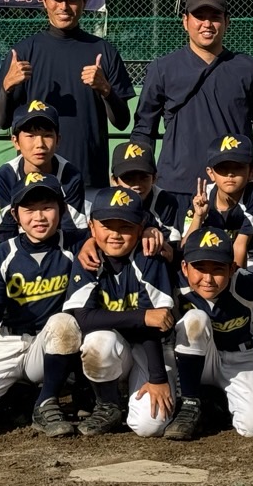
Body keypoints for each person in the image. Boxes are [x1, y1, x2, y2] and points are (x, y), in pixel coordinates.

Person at [0, 177, 89, 439]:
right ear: (15, 214)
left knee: (63, 323)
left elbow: (110, 232)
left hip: (48, 345)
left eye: (47, 207)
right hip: (7, 342)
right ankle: (18, 399)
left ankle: (46, 403)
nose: (39, 217)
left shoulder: (76, 244)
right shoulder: (4, 253)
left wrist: (150, 231)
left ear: (63, 209)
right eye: (29, 209)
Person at [132, 0, 253, 222]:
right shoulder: (163, 68)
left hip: (236, 189)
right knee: (178, 256)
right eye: (200, 17)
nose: (207, 24)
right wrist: (139, 175)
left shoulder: (247, 67)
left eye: (215, 17)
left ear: (227, 22)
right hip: (176, 189)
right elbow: (143, 128)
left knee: (238, 258)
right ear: (185, 21)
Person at [0, 0, 135, 207]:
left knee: (86, 245)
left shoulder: (103, 51)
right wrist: (7, 87)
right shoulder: (24, 52)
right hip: (34, 180)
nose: (63, 6)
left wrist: (105, 89)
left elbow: (122, 121)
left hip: (87, 178)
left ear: (85, 1)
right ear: (43, 0)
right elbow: (2, 121)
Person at [59, 188, 180, 438]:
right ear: (92, 228)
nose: (115, 234)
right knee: (97, 342)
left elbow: (154, 327)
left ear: (140, 227)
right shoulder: (89, 259)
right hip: (115, 347)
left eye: (125, 226)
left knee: (150, 426)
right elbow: (82, 317)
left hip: (150, 348)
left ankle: (137, 388)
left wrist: (158, 378)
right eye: (107, 225)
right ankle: (108, 404)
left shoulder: (149, 258)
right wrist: (142, 316)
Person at [162, 226, 253, 441]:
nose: (208, 278)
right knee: (195, 320)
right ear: (185, 268)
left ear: (232, 268)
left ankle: (213, 401)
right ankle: (189, 403)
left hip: (239, 358)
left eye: (217, 269)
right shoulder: (172, 281)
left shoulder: (247, 283)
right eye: (200, 268)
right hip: (192, 361)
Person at [0, 101, 86, 244]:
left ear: (58, 140)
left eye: (47, 135)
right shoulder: (4, 176)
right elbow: (5, 232)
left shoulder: (71, 175)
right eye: (31, 136)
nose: (40, 144)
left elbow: (72, 230)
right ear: (15, 141)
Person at [185, 133, 253, 269]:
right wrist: (198, 216)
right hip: (214, 259)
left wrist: (233, 285)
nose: (230, 174)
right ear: (211, 173)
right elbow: (186, 247)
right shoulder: (203, 196)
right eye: (222, 168)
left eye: (238, 167)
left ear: (251, 172)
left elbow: (240, 246)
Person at [110, 139, 183, 249]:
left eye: (143, 177)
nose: (136, 185)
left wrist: (151, 232)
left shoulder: (165, 202)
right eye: (128, 179)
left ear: (154, 178)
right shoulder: (105, 202)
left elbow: (173, 244)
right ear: (114, 181)